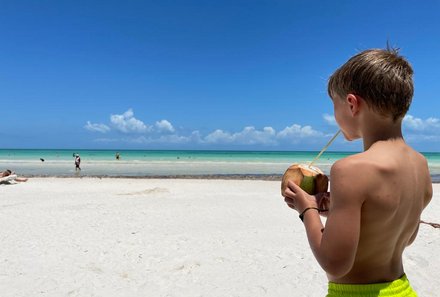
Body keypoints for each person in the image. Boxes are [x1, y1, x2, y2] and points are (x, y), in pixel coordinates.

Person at [282, 48, 432, 297]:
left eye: (334, 106)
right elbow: (403, 236)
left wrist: (307, 209)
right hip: (402, 289)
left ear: (352, 104)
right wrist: (345, 210)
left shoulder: (350, 170)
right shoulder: (420, 165)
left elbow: (335, 263)